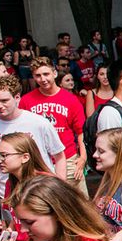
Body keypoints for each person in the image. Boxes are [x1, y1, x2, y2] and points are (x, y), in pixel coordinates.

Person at [0, 74, 66, 232]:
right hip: (7, 194)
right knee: (14, 238)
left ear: (17, 97)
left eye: (4, 100)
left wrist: (59, 188)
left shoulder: (39, 122)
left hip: (41, 191)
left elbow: (59, 157)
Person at [22, 57, 88, 196]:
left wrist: (82, 157)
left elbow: (81, 131)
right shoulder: (26, 101)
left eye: (46, 74)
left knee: (79, 205)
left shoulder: (70, 99)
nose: (43, 79)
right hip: (40, 161)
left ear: (54, 73)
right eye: (38, 76)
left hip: (69, 158)